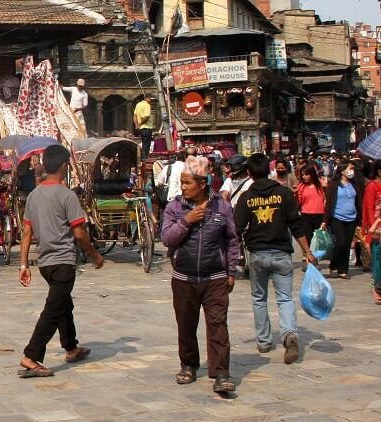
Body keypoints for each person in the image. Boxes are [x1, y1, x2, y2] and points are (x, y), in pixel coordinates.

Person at [17, 144, 103, 379]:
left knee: (63, 303)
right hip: (63, 261)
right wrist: (95, 255)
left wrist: (24, 265)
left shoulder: (33, 196)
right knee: (53, 309)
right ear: (65, 166)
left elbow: (26, 233)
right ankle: (31, 355)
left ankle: (71, 347)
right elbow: (79, 234)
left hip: (44, 263)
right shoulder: (67, 196)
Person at [161, 155, 239, 395]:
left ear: (202, 184)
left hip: (214, 277)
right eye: (182, 182)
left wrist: (231, 271)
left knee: (218, 324)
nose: (183, 187)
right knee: (186, 324)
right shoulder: (175, 207)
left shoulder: (221, 207)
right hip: (184, 278)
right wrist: (187, 221)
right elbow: (167, 238)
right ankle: (188, 365)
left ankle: (221, 372)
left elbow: (231, 240)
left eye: (188, 183)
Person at [233, 153, 313, 365]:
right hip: (282, 253)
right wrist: (307, 251)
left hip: (257, 254)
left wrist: (229, 257)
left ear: (249, 173)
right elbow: (296, 224)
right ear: (269, 170)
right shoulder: (284, 194)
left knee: (259, 298)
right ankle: (289, 335)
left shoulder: (246, 197)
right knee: (285, 298)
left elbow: (236, 229)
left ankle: (264, 341)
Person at [323, 159, 364, 280]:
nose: (352, 171)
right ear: (342, 170)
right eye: (349, 168)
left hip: (352, 217)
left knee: (347, 244)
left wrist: (361, 218)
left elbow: (359, 201)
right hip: (337, 217)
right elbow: (328, 203)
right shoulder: (334, 184)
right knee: (340, 243)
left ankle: (343, 270)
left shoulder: (355, 183)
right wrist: (325, 220)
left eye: (352, 169)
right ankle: (334, 265)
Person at [295, 162, 327, 243]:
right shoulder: (301, 186)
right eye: (302, 175)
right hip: (306, 216)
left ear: (312, 174)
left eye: (306, 174)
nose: (304, 177)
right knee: (309, 239)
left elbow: (326, 199)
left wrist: (326, 187)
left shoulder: (321, 184)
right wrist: (295, 193)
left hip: (320, 215)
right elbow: (298, 202)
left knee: (320, 240)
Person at [132, 93, 154, 158]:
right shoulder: (147, 105)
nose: (151, 101)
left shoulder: (138, 105)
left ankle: (143, 157)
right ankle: (144, 158)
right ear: (147, 98)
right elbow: (146, 117)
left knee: (144, 143)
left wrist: (136, 125)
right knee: (146, 145)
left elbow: (134, 116)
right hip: (147, 127)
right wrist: (140, 124)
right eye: (150, 99)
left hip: (141, 128)